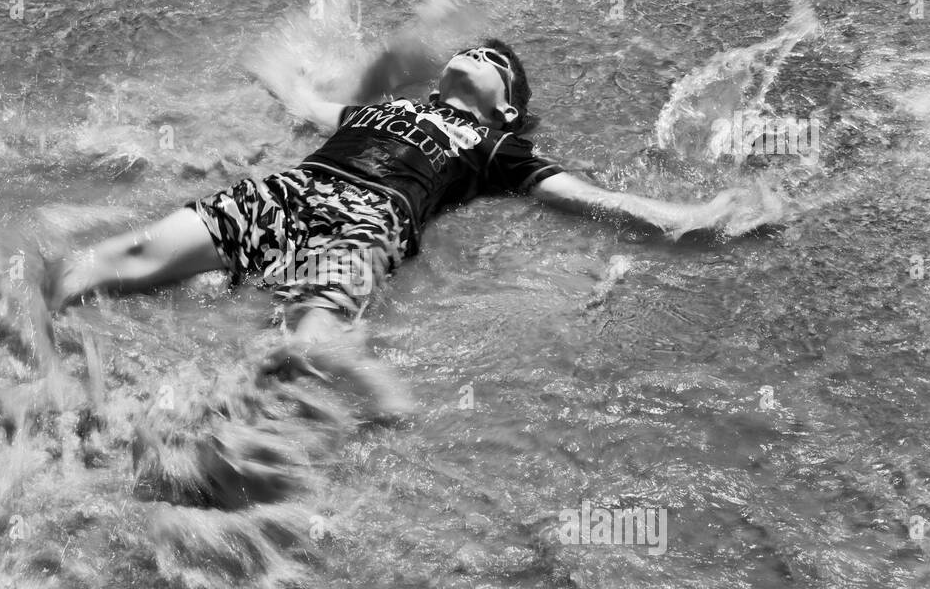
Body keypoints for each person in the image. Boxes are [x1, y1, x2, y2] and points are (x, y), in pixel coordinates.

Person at [50, 37, 766, 418]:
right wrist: (274, 67)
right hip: (289, 191)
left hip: (366, 225)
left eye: (495, 63)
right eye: (473, 51)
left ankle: (372, 396)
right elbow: (305, 102)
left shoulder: (496, 149)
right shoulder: (375, 113)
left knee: (307, 341)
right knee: (110, 259)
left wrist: (692, 220)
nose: (479, 54)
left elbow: (589, 197)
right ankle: (21, 336)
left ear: (508, 109)